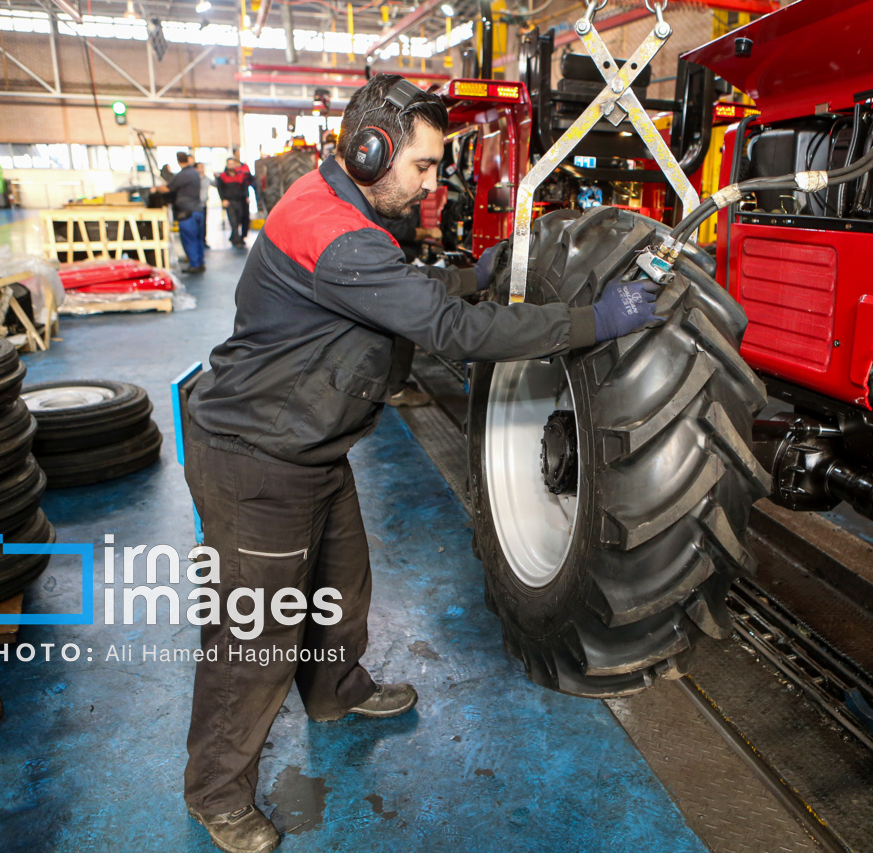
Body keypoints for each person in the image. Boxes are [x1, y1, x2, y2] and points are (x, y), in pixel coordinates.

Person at [180, 73, 659, 853]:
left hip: (309, 442)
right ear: (370, 153)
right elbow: (450, 332)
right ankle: (215, 791)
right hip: (257, 456)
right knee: (256, 640)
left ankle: (335, 692)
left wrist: (479, 272)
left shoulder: (346, 215)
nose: (434, 183)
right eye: (426, 166)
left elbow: (400, 291)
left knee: (340, 587)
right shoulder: (341, 237)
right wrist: (591, 320)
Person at [380, 207, 443, 406]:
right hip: (394, 266)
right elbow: (398, 231)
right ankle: (396, 390)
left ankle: (396, 384)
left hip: (396, 263)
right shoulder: (390, 198)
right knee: (401, 328)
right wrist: (429, 232)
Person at [157, 151, 205, 273]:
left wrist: (156, 188)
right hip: (198, 210)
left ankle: (194, 265)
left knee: (189, 239)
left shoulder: (182, 175)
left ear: (178, 161)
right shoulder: (195, 173)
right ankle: (200, 262)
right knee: (198, 238)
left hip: (186, 213)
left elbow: (167, 188)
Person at [216, 158, 256, 248]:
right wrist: (223, 199)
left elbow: (245, 187)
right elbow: (220, 189)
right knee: (233, 221)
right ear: (227, 165)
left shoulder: (240, 175)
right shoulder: (222, 176)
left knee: (239, 220)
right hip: (229, 202)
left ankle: (235, 237)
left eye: (232, 164)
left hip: (239, 201)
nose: (231, 166)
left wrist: (247, 197)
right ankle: (237, 241)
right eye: (229, 164)